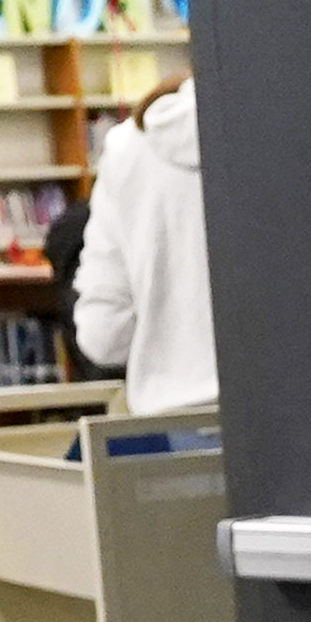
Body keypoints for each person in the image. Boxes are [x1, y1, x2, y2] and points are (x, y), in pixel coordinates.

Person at [71, 72, 216, 413]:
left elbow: (102, 335)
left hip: (172, 414)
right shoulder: (308, 123)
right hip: (304, 409)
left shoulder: (128, 146)